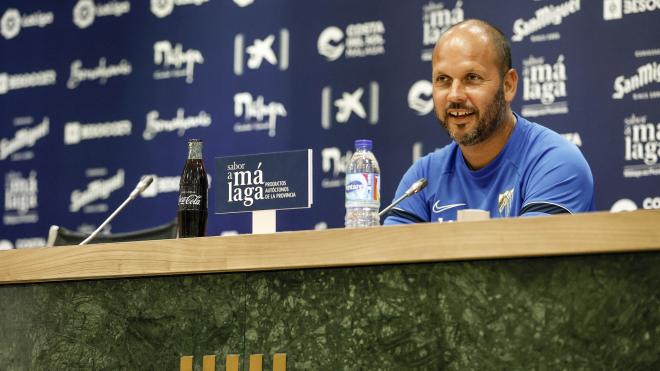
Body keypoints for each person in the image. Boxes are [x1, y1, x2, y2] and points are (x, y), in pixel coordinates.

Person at [384, 19, 594, 224]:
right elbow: (391, 255)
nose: (454, 95)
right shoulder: (422, 178)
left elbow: (531, 256)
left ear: (508, 85)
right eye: (443, 80)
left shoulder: (555, 162)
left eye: (472, 78)